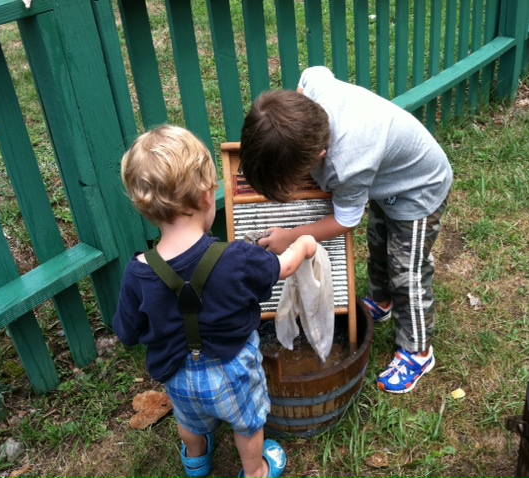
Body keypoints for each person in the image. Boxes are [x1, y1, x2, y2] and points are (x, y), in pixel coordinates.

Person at [113, 125, 317, 478]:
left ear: (145, 209)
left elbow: (128, 333)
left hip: (177, 376)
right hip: (233, 371)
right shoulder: (236, 258)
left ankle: (196, 459)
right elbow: (282, 268)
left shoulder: (138, 272)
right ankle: (255, 471)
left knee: (190, 422)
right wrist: (304, 245)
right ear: (208, 196)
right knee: (248, 426)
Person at [239, 66, 453, 395]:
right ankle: (382, 301)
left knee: (406, 271)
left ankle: (418, 351)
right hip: (387, 183)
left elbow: (344, 222)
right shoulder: (312, 91)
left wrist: (290, 235)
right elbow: (315, 72)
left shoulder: (349, 162)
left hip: (419, 190)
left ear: (320, 156)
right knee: (380, 241)